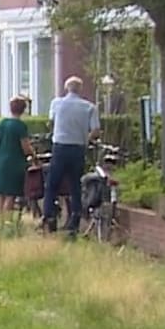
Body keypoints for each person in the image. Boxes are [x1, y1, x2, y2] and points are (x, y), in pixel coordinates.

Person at [43, 75, 102, 237]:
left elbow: (51, 122)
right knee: (75, 185)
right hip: (78, 148)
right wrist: (85, 139)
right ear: (80, 89)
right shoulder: (90, 107)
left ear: (66, 88)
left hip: (60, 147)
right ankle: (75, 220)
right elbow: (96, 130)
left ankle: (49, 217)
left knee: (52, 183)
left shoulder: (56, 103)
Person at [0, 96, 31, 218]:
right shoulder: (20, 126)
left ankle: (0, 220)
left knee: (1, 195)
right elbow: (26, 148)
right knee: (10, 195)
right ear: (23, 110)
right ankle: (7, 222)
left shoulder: (2, 123)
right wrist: (33, 155)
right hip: (14, 163)